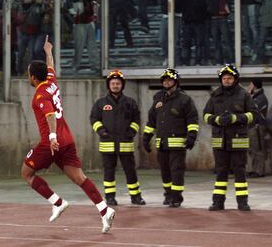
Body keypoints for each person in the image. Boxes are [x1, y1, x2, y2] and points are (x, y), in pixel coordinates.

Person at [21, 36, 115, 234]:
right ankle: (104, 210)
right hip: (68, 139)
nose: (27, 76)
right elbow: (51, 66)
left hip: (51, 143)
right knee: (79, 177)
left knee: (26, 172)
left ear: (33, 78)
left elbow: (50, 115)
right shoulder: (52, 82)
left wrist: (52, 137)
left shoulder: (40, 94)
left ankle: (57, 202)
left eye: (28, 74)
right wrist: (48, 52)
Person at [203, 64, 257, 211]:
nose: (226, 80)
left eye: (229, 78)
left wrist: (235, 118)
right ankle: (218, 202)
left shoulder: (244, 94)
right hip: (220, 141)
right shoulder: (215, 95)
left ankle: (242, 202)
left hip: (238, 140)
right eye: (224, 78)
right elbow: (206, 115)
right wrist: (217, 120)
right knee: (221, 171)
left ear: (235, 79)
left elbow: (253, 115)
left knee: (240, 172)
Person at [143, 69, 199, 208]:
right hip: (162, 143)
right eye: (165, 80)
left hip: (178, 144)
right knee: (165, 171)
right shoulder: (158, 98)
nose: (167, 82)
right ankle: (168, 195)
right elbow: (151, 121)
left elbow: (192, 120)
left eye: (170, 80)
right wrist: (146, 137)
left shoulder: (185, 99)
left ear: (175, 82)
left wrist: (191, 136)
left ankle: (176, 197)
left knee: (177, 171)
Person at [90, 69, 146, 206]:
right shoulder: (101, 103)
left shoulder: (130, 103)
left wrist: (132, 132)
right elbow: (94, 119)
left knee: (130, 171)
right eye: (113, 83)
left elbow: (137, 119)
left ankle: (136, 197)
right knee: (109, 173)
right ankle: (109, 197)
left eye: (118, 83)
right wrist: (101, 131)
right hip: (107, 144)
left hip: (125, 143)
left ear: (122, 85)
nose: (115, 85)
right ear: (109, 85)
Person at [247, 79, 268, 178]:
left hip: (257, 127)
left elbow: (251, 108)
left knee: (258, 149)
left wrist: (248, 95)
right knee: (253, 149)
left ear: (254, 86)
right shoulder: (255, 96)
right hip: (252, 126)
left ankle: (259, 171)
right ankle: (254, 169)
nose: (249, 86)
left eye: (250, 84)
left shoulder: (260, 98)